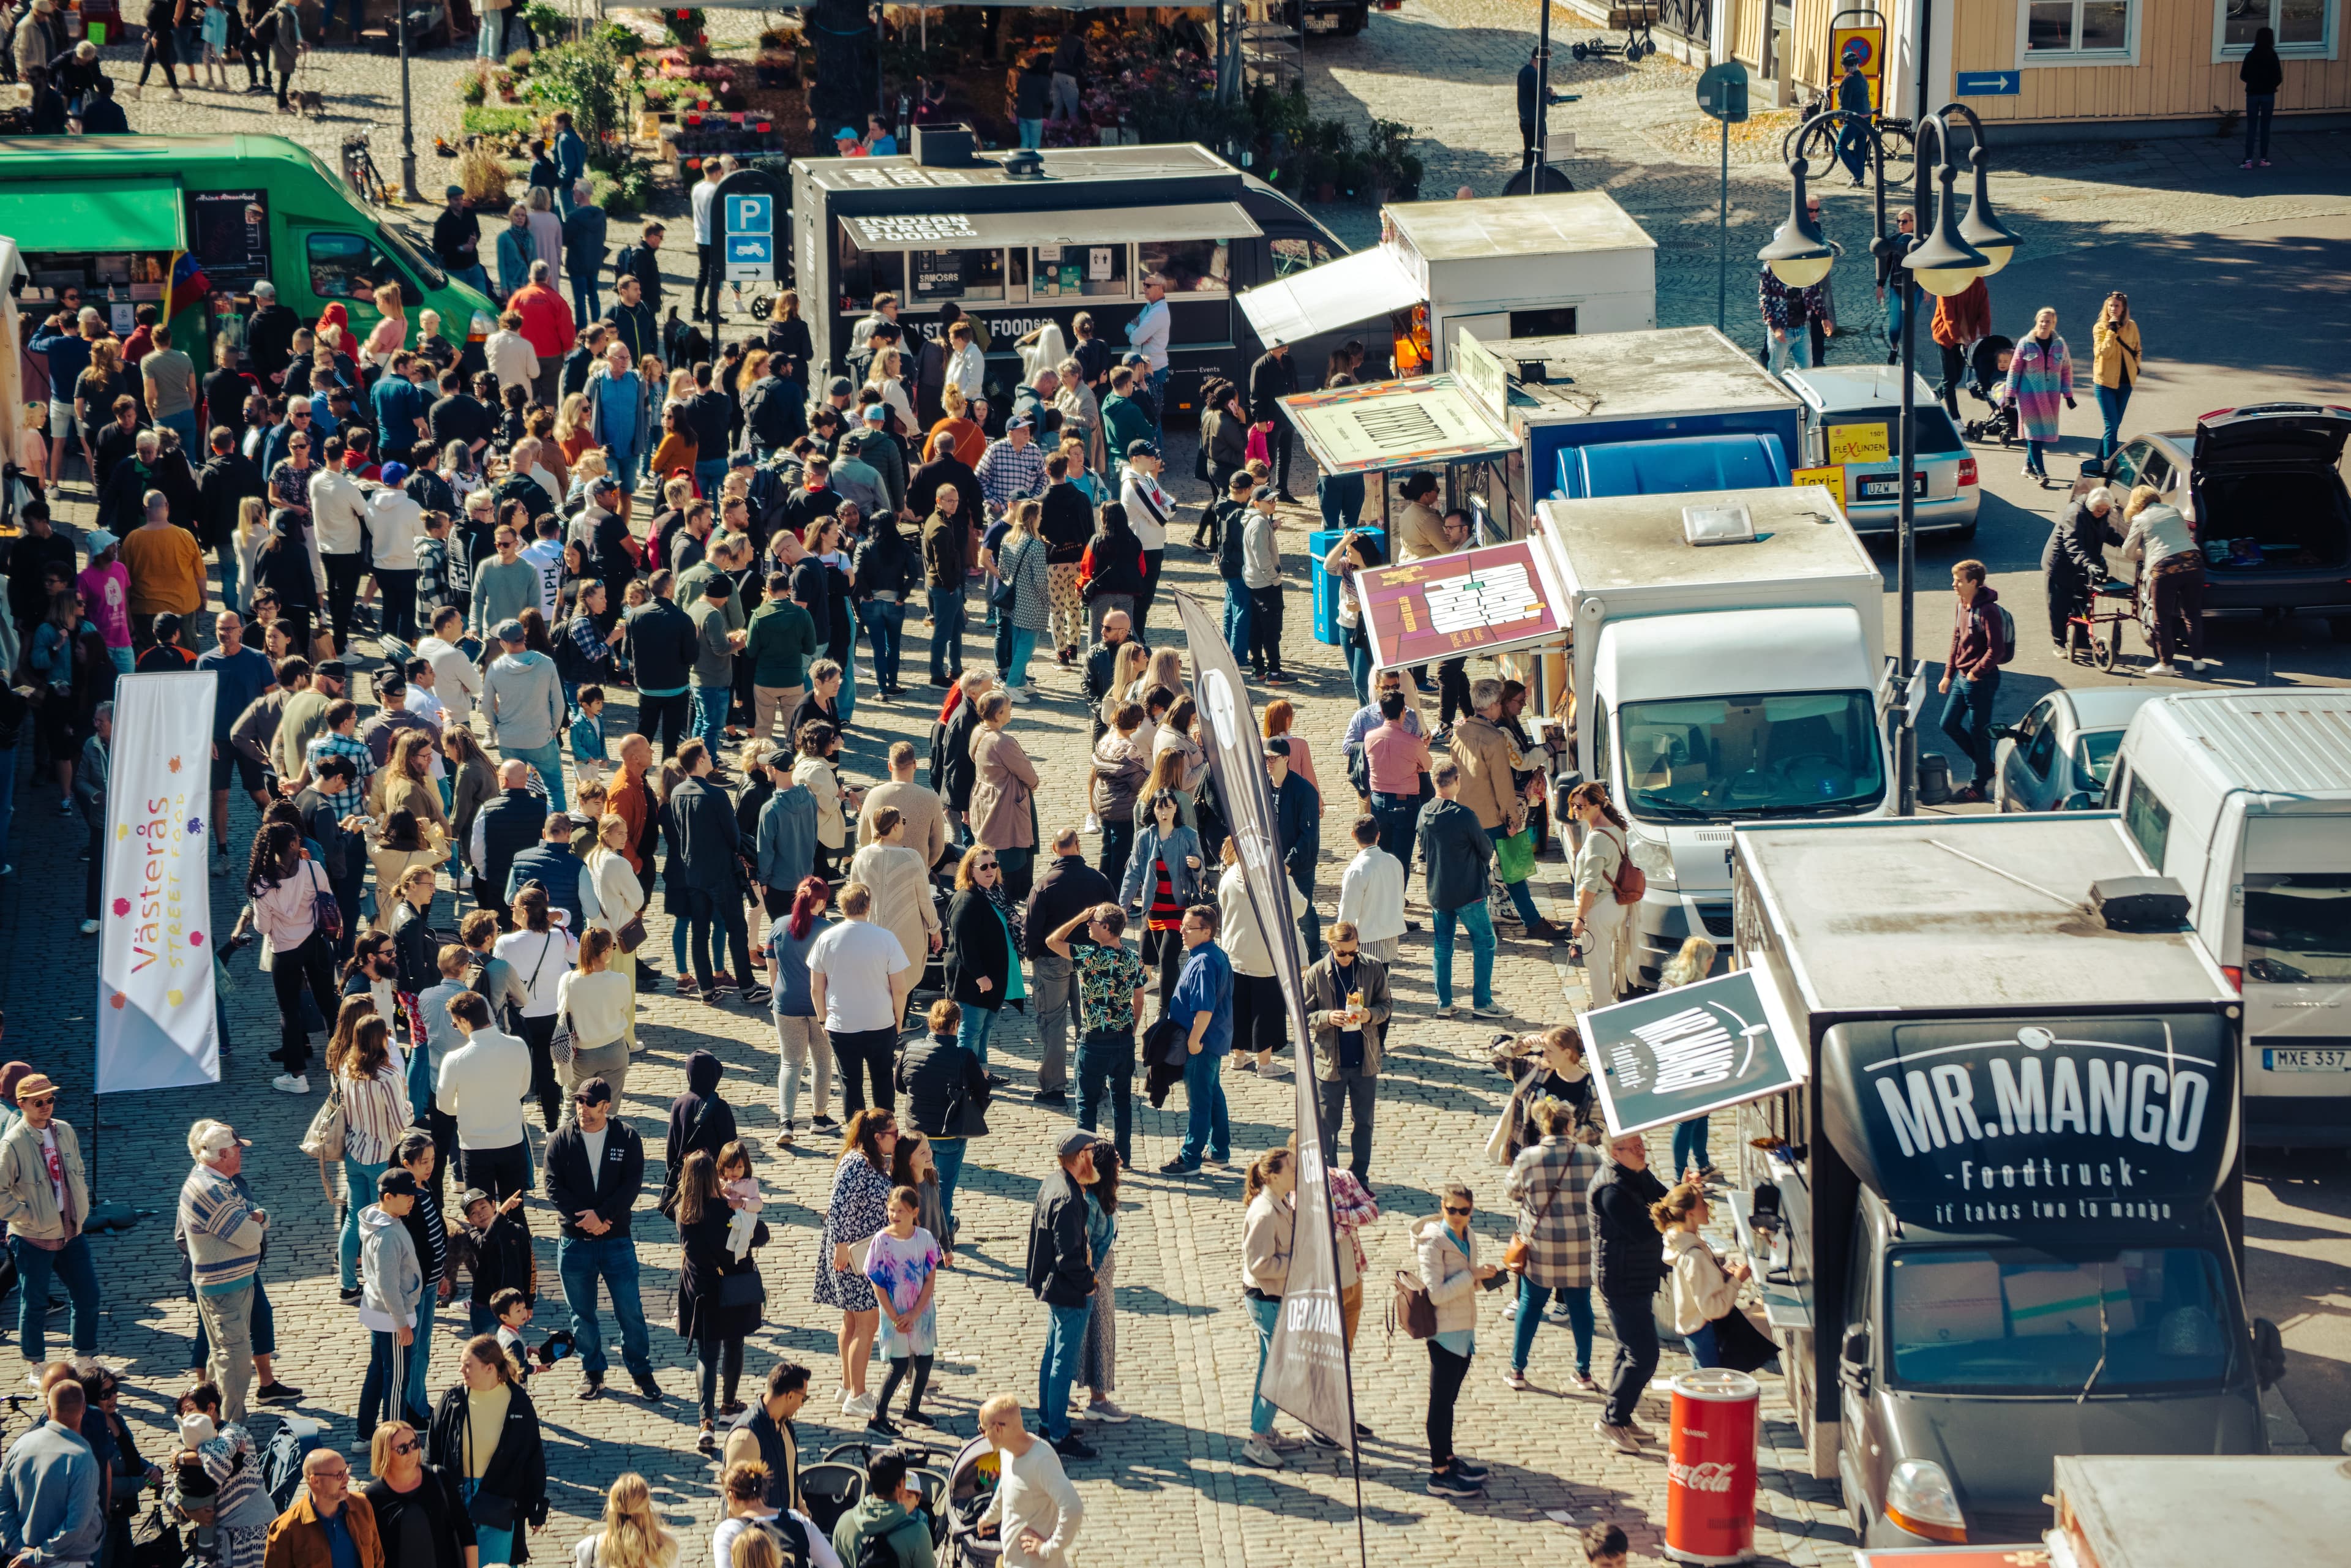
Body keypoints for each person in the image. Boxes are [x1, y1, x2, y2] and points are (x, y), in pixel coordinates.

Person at [544, 1076, 661, 1401]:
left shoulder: (626, 1138)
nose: (583, 1108)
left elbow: (632, 1184)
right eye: (580, 1101)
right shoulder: (560, 1140)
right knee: (581, 1313)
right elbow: (553, 1187)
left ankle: (640, 1371)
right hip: (574, 1242)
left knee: (630, 1311)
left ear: (606, 1106)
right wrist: (586, 1218)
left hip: (616, 1240)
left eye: (590, 1103)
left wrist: (604, 1217)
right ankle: (592, 1372)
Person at [1502, 1096, 1603, 1394]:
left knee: (1531, 1305)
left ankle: (1517, 1369)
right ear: (1570, 1124)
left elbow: (1512, 1191)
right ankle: (1583, 1372)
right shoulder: (1590, 1155)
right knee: (1581, 1306)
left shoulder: (1528, 1158)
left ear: (1543, 1125)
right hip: (1580, 1245)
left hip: (1541, 1245)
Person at [0, 1070, 101, 1365]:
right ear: (22, 1104)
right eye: (37, 1102)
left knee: (88, 1295)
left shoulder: (65, 1131)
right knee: (33, 1303)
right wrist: (28, 1217)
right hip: (34, 1237)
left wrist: (80, 1208)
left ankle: (85, 1359)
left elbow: (78, 1171)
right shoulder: (12, 1144)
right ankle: (36, 1365)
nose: (45, 1106)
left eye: (50, 1099)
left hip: (70, 1230)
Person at [178, 1120, 272, 1422]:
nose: (241, 1155)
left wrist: (256, 1219)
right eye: (236, 1151)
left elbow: (256, 1214)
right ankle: (230, 1425)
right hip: (225, 1289)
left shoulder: (220, 1182)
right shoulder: (210, 1190)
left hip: (232, 1284)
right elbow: (250, 1234)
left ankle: (216, 1419)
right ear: (220, 1156)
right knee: (233, 1360)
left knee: (224, 1357)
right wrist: (256, 1222)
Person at [422, 1337, 547, 1566]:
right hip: (455, 1500)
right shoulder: (452, 1401)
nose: (461, 1370)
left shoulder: (518, 1403)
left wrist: (535, 1508)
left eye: (468, 1365)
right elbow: (432, 1453)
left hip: (499, 1502)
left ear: (490, 1368)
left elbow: (533, 1459)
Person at [671, 1148, 763, 1449]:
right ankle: (727, 1407)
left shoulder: (683, 1212)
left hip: (700, 1291)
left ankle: (705, 1423)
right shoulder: (726, 1210)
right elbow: (759, 1234)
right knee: (734, 1344)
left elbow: (693, 1252)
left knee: (707, 1355)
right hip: (732, 1287)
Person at [1415, 1182, 1498, 1497]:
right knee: (1439, 1403)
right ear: (1442, 1206)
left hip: (1464, 1329)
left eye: (1464, 1211)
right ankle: (1439, 1474)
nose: (1457, 1216)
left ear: (1471, 1210)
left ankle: (1449, 1459)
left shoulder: (1469, 1235)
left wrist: (1484, 1278)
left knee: (1448, 1401)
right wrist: (1473, 1276)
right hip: (1444, 1332)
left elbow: (1467, 1283)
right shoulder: (1432, 1243)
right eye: (1451, 1210)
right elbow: (1436, 1295)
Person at [814, 1109, 898, 1421]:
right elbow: (838, 1208)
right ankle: (857, 1395)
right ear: (878, 1138)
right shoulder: (857, 1164)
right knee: (867, 1324)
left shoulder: (868, 1160)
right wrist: (841, 1250)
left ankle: (847, 1385)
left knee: (852, 1321)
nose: (897, 1139)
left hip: (857, 1252)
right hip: (854, 1256)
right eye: (894, 1134)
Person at [1025, 1133, 1103, 1459]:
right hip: (1068, 1290)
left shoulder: (1053, 1183)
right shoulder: (1070, 1199)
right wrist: (1089, 1283)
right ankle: (1057, 1433)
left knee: (1051, 1354)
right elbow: (1068, 1257)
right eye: (1091, 1152)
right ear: (1081, 1156)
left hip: (1052, 1286)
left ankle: (1048, 1421)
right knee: (1062, 1361)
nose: (1095, 1157)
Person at [1590, 1128, 1668, 1454]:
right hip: (1621, 1279)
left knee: (1627, 1349)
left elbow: (1665, 1199)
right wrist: (1675, 1213)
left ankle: (1619, 1415)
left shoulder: (1637, 1174)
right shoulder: (1612, 1189)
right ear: (1615, 1152)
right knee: (1644, 1355)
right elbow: (1644, 1231)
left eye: (1642, 1145)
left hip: (1637, 1274)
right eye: (1634, 1147)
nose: (1641, 1151)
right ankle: (1612, 1420)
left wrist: (1683, 1193)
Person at [808, 882, 915, 1116]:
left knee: (850, 1082)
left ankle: (857, 1135)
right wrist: (898, 1021)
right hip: (880, 1021)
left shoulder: (826, 940)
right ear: (868, 906)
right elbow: (900, 989)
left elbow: (816, 989)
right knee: (882, 1079)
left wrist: (823, 1020)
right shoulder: (886, 939)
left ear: (842, 907)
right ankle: (885, 1128)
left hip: (841, 1024)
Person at [1656, 1180, 1777, 1373]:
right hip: (1704, 1333)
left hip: (1696, 1330)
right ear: (1690, 1214)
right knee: (1712, 1388)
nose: (1708, 1207)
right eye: (1702, 1203)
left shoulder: (1683, 1242)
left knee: (1701, 1383)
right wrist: (1737, 1280)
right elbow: (1713, 1309)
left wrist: (1722, 1273)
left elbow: (1700, 1284)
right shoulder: (1694, 1256)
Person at [1303, 920, 1388, 1184]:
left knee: (1364, 1123)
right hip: (1330, 1062)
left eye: (1353, 952)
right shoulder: (1317, 973)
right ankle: (1331, 1177)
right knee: (1328, 1127)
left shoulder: (1372, 967)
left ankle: (1359, 1176)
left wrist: (1369, 1015)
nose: (1348, 958)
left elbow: (1386, 1006)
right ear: (1331, 946)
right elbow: (1304, 1015)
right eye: (1342, 953)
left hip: (1365, 1059)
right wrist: (1328, 1017)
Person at [858, 1184, 942, 1439]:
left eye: (901, 1211)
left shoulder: (925, 1238)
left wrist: (915, 1313)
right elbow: (878, 1282)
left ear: (915, 1212)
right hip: (893, 1314)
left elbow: (930, 1279)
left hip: (921, 1313)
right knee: (899, 1364)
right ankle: (878, 1417)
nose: (895, 1215)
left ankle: (912, 1410)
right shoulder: (881, 1242)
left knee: (925, 1359)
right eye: (892, 1210)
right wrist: (895, 1316)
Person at [437, 991, 533, 1209]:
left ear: (463, 1021)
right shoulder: (518, 1046)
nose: (457, 1028)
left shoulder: (455, 1060)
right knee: (516, 1213)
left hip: (475, 1147)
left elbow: (444, 1106)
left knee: (482, 1218)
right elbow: (522, 1089)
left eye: (455, 1024)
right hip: (511, 1141)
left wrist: (468, 1107)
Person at [1418, 762, 1499, 1019]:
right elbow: (1486, 849)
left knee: (1443, 946)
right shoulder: (1463, 815)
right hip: (1467, 890)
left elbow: (1423, 849)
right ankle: (1483, 1002)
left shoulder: (1424, 812)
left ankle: (1444, 1003)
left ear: (1434, 782)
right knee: (1485, 942)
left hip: (1439, 890)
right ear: (1457, 781)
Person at [1234, 1147, 1297, 1470]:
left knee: (1268, 1367)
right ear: (1273, 1176)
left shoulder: (1282, 1203)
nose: (1296, 1172)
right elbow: (1259, 1265)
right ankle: (1258, 1440)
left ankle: (1264, 1430)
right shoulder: (1264, 1212)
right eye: (1291, 1169)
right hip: (1266, 1299)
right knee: (1277, 1370)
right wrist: (1296, 1263)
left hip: (1274, 1297)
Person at [1160, 904, 1233, 1176]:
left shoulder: (1203, 962)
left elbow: (1205, 1008)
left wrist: (1193, 1040)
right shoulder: (1209, 954)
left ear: (1207, 931)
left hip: (1201, 1042)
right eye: (1182, 925)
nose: (1181, 931)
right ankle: (1219, 1152)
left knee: (1200, 1101)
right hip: (1210, 1039)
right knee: (1213, 1095)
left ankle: (1190, 1158)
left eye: (1188, 928)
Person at [358, 1168, 429, 1441]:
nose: (412, 1200)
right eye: (407, 1196)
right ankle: (393, 1441)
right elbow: (388, 1284)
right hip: (392, 1316)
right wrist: (402, 1323)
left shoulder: (383, 1221)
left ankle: (364, 1435)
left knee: (377, 1372)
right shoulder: (387, 1236)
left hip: (378, 1311)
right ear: (388, 1198)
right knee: (397, 1380)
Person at [974, 1395, 1083, 1567]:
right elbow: (1005, 1488)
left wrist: (1047, 1549)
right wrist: (989, 1517)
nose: (983, 1435)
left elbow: (1073, 1508)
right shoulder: (1007, 1451)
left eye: (983, 1429)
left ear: (998, 1430)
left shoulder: (1041, 1461)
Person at [1936, 560, 2006, 804]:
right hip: (1962, 677)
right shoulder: (1961, 605)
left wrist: (1977, 672)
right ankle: (1985, 766)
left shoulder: (1988, 611)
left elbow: (1996, 648)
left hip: (1980, 680)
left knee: (1979, 733)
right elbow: (1957, 639)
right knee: (1948, 723)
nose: (1954, 584)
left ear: (1974, 583)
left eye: (1959, 580)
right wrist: (1948, 674)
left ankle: (1977, 787)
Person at [2122, 484, 2208, 677]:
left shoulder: (2140, 519)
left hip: (2166, 567)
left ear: (2136, 502)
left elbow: (2127, 551)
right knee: (2192, 614)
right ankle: (2198, 661)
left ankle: (2166, 664)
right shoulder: (2174, 511)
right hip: (2194, 561)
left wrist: (2145, 553)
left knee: (2162, 618)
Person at [361, 1422, 473, 1568]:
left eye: (414, 1444)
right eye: (403, 1449)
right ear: (385, 1453)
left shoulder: (439, 1478)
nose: (412, 1452)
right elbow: (369, 1552)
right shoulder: (371, 1496)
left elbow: (466, 1531)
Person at [1565, 780, 1635, 1007]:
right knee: (1604, 961)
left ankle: (1601, 1011)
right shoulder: (1615, 828)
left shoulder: (1597, 838)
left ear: (1597, 806)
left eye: (1580, 806)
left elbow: (1591, 884)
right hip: (1616, 904)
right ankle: (1602, 1005)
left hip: (1599, 909)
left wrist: (1579, 918)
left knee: (1597, 966)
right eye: (1574, 805)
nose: (1576, 810)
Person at [719, 1363, 812, 1522]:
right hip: (758, 1541)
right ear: (789, 1396)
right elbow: (735, 1508)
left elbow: (790, 1477)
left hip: (785, 1534)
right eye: (803, 1398)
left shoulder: (784, 1427)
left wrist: (804, 1515)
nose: (802, 1404)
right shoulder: (746, 1439)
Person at [260, 1448, 381, 1568]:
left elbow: (378, 1558)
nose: (347, 1479)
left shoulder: (362, 1506)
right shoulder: (286, 1528)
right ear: (315, 1481)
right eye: (339, 1475)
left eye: (346, 1471)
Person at [2044, 486, 2123, 657]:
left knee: (2083, 603)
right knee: (2059, 605)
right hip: (2061, 565)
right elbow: (2072, 544)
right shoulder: (2076, 514)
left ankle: (2080, 641)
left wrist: (2121, 542)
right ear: (2090, 506)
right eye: (2099, 510)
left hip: (2084, 565)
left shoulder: (2100, 512)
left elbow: (2104, 530)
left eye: (2105, 510)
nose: (2102, 513)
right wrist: (2088, 564)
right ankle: (2059, 643)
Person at [2008, 306, 2076, 487]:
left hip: (2050, 397)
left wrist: (2068, 395)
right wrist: (2010, 395)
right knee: (2034, 435)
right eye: (2042, 321)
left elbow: (2066, 370)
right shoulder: (2025, 343)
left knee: (2041, 434)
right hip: (2028, 396)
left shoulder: (2060, 345)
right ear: (2037, 322)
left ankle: (2028, 467)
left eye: (2049, 321)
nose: (2045, 324)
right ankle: (2042, 473)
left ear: (2054, 324)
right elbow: (2014, 370)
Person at [2089, 292, 2140, 462]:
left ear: (2124, 308)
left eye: (2117, 306)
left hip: (2126, 383)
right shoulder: (2100, 328)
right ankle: (2109, 463)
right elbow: (2103, 352)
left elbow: (2137, 349)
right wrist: (2111, 330)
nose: (2113, 309)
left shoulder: (2131, 326)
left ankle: (2098, 462)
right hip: (2105, 383)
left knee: (2114, 426)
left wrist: (2136, 367)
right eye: (2110, 306)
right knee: (2112, 425)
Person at [2241, 24, 2282, 167]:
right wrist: (2271, 85)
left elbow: (2243, 75)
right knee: (2265, 127)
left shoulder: (2251, 55)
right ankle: (2264, 159)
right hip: (2268, 95)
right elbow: (2279, 77)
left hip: (2252, 94)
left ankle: (2248, 160)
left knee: (2251, 127)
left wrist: (2253, 83)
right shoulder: (2273, 56)